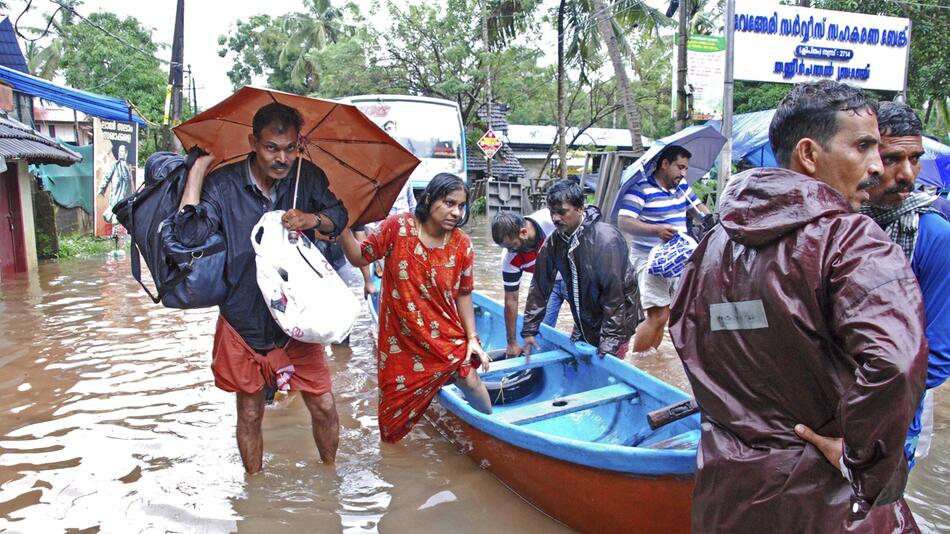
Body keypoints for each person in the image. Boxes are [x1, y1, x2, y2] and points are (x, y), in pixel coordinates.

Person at [669, 80, 927, 532]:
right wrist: (860, 463)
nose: (876, 168)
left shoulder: (711, 245)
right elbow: (896, 364)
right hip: (825, 505)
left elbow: (687, 340)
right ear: (809, 154)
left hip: (726, 494)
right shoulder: (852, 241)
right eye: (864, 147)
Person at [174, 102, 348, 473]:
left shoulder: (308, 178)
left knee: (323, 404)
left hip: (298, 319)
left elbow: (339, 216)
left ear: (298, 144)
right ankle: (254, 486)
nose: (281, 158)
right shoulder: (223, 185)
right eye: (271, 148)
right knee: (250, 411)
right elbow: (188, 234)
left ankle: (329, 475)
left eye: (289, 148)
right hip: (243, 318)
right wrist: (198, 172)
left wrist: (312, 219)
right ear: (253, 142)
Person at [339, 173, 492, 443]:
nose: (456, 212)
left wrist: (472, 339)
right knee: (391, 429)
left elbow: (464, 294)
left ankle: (490, 431)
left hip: (445, 337)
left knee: (471, 380)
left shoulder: (462, 244)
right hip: (401, 342)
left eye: (461, 205)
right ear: (430, 199)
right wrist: (341, 227)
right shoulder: (397, 228)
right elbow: (359, 256)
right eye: (449, 203)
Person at [861, 101, 950, 470]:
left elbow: (938, 357)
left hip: (891, 423)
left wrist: (856, 404)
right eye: (893, 158)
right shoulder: (835, 223)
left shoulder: (933, 236)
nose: (907, 173)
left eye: (915, 158)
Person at [520, 180, 638, 359]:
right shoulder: (555, 241)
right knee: (580, 359)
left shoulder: (605, 240)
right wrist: (530, 329)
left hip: (618, 320)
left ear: (580, 209)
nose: (556, 218)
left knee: (607, 362)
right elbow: (539, 286)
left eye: (562, 212)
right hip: (585, 315)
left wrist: (609, 344)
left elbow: (614, 297)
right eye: (552, 212)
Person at [616, 145, 709, 354]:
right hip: (649, 259)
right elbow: (624, 222)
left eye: (686, 168)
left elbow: (698, 208)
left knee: (675, 314)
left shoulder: (682, 187)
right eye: (680, 167)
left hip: (678, 258)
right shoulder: (641, 189)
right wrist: (656, 230)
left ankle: (651, 359)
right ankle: (638, 361)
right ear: (665, 164)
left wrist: (710, 219)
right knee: (658, 315)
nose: (683, 173)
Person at [490, 209, 569, 357]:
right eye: (505, 248)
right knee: (541, 332)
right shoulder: (509, 258)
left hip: (573, 277)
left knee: (587, 327)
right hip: (548, 284)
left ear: (524, 233)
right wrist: (511, 342)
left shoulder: (551, 220)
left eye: (512, 246)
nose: (510, 251)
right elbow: (511, 299)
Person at [99, 144, 133, 229]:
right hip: (116, 196)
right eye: (119, 151)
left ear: (126, 153)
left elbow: (130, 183)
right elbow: (107, 176)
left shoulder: (128, 166)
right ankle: (114, 232)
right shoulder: (115, 164)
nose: (120, 153)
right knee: (114, 214)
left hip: (126, 196)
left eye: (122, 151)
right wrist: (102, 188)